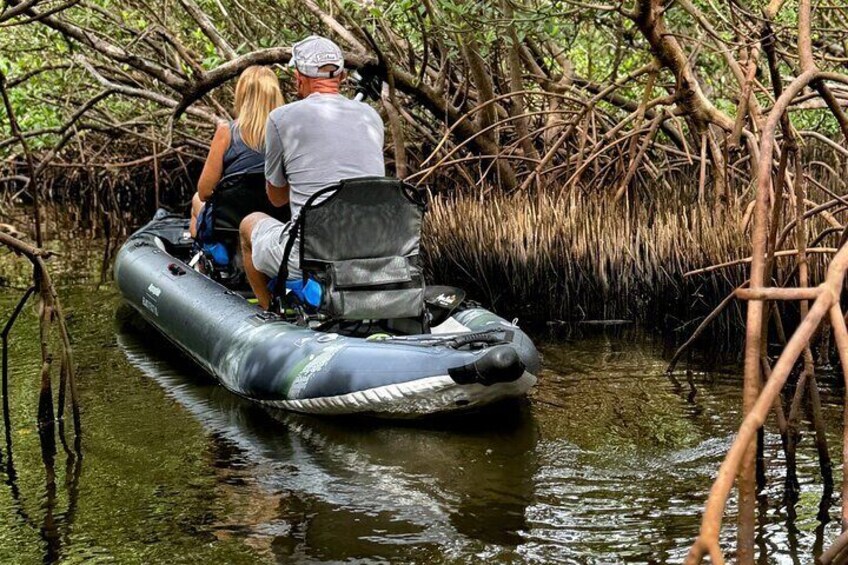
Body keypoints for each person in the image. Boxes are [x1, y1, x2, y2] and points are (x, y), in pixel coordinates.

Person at [240, 36, 385, 308]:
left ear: (298, 78)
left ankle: (268, 312)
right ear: (341, 76)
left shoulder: (280, 118)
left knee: (249, 224)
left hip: (309, 257)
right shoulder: (371, 117)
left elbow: (277, 199)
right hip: (374, 255)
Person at [189, 66, 284, 239]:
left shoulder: (225, 132)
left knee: (196, 198)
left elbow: (204, 191)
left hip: (231, 227)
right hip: (278, 222)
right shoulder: (288, 133)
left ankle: (202, 257)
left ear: (241, 96)